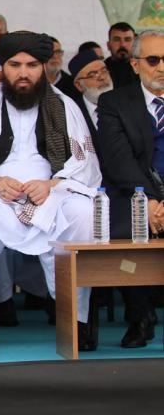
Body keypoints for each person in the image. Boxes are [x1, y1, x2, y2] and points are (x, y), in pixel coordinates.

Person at [0, 31, 100, 352]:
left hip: (53, 192)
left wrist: (52, 185)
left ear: (44, 67)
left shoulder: (64, 106)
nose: (23, 73)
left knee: (83, 213)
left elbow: (83, 164)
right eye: (15, 65)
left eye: (32, 65)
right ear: (3, 69)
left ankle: (76, 316)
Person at [97, 30, 164, 348]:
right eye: (153, 60)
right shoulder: (114, 102)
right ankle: (140, 314)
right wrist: (147, 200)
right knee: (126, 227)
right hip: (134, 192)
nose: (161, 67)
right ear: (136, 65)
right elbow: (117, 159)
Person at [104, 22, 138, 88]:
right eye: (117, 40)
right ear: (108, 45)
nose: (122, 44)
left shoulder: (144, 69)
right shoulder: (100, 72)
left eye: (127, 39)